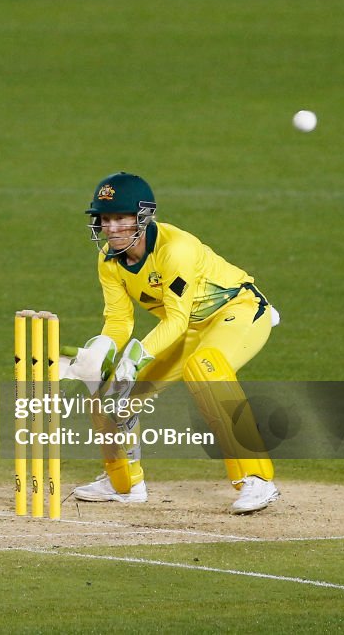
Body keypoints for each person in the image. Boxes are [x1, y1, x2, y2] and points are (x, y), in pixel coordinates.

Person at [61, 172, 280, 514]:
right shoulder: (108, 260)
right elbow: (119, 320)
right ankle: (124, 483)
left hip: (238, 311)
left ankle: (257, 479)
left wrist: (134, 357)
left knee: (205, 368)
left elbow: (176, 319)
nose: (112, 227)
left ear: (143, 216)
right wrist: (102, 348)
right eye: (105, 219)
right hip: (188, 328)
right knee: (115, 395)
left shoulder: (174, 250)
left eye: (121, 218)